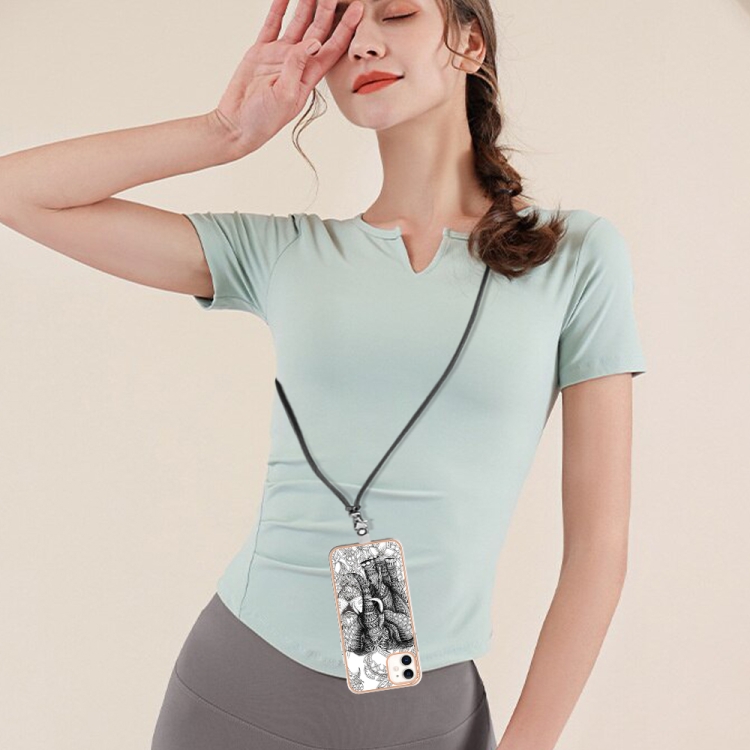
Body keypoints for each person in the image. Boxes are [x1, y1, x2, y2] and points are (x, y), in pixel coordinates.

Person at [0, 0, 647, 748]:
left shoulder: (574, 257)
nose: (363, 44)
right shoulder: (286, 254)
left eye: (396, 14)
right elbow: (18, 191)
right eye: (340, 30)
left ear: (469, 43)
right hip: (239, 687)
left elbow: (599, 548)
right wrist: (224, 131)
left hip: (426, 715)